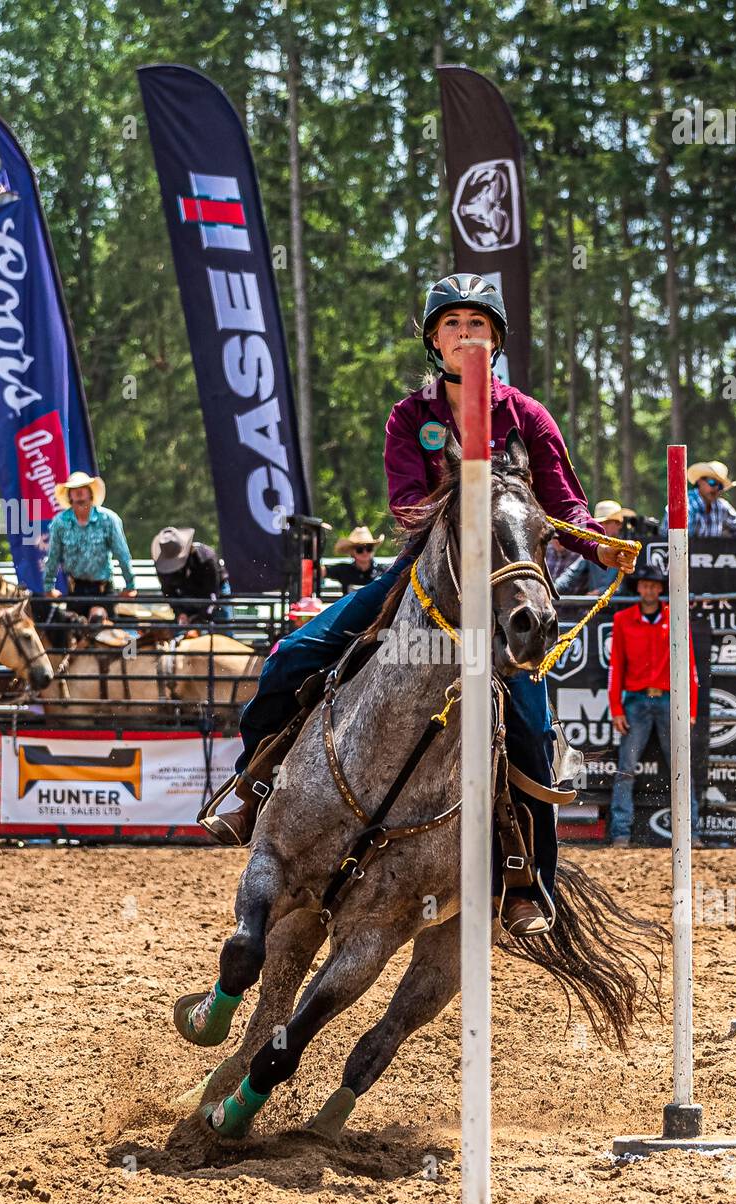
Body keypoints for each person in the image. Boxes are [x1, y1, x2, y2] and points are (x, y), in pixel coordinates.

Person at [201, 271, 637, 937]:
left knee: (531, 734)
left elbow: (565, 504)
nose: (467, 335)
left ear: (495, 339)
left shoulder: (529, 417)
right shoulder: (412, 416)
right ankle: (252, 785)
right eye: (453, 325)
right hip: (422, 578)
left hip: (504, 591)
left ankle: (526, 882)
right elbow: (405, 505)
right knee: (293, 657)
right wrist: (458, 506)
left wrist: (600, 543)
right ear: (435, 340)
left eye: (479, 325)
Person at [607, 564, 701, 847]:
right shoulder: (623, 619)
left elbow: (690, 666)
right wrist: (616, 708)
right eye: (644, 585)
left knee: (681, 766)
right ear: (638, 588)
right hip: (636, 700)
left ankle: (690, 831)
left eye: (654, 585)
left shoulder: (676, 618)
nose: (649, 589)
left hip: (669, 699)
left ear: (660, 589)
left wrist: (690, 709)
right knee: (626, 769)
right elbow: (616, 666)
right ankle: (620, 833)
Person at [44, 471, 136, 615]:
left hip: (102, 589)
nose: (79, 493)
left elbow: (122, 554)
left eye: (83, 488)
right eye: (74, 489)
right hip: (76, 589)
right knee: (75, 632)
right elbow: (53, 556)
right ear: (69, 495)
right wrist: (48, 587)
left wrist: (130, 585)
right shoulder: (60, 522)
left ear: (90, 493)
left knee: (104, 629)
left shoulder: (108, 520)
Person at [151, 526, 230, 626]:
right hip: (186, 594)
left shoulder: (206, 558)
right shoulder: (163, 569)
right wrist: (180, 613)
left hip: (215, 589)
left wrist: (199, 617)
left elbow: (212, 592)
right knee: (182, 632)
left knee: (222, 626)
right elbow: (169, 592)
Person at [557, 500, 635, 595]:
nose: (602, 527)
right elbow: (572, 573)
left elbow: (628, 585)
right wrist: (553, 587)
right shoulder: (593, 548)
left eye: (606, 523)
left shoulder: (629, 550)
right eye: (599, 523)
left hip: (621, 607)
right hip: (596, 606)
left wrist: (599, 593)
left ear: (619, 524)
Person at [659, 460, 736, 538]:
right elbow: (675, 540)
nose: (716, 488)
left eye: (720, 485)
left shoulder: (722, 507)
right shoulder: (685, 505)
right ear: (700, 481)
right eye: (712, 482)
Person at [324, 526, 386, 594]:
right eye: (360, 549)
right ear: (352, 552)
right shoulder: (344, 570)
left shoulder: (384, 572)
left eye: (369, 548)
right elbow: (320, 571)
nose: (365, 552)